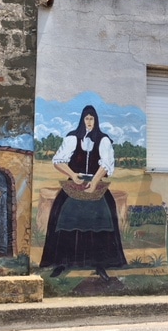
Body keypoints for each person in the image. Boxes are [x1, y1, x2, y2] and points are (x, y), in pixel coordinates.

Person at [40, 105, 127, 281]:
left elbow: (106, 165)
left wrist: (94, 182)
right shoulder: (72, 138)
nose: (89, 122)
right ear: (82, 119)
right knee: (63, 217)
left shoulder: (103, 140)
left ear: (96, 120)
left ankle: (100, 264)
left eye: (92, 119)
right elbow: (58, 161)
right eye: (86, 118)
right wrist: (72, 175)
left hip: (96, 185)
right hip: (75, 183)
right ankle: (62, 262)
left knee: (102, 220)